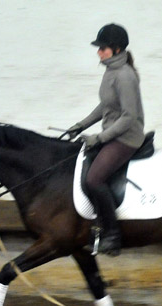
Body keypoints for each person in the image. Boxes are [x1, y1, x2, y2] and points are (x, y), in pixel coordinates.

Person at [66, 23, 145, 256]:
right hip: (113, 133)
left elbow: (128, 117)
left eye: (103, 48)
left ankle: (112, 234)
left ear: (117, 49)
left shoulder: (125, 76)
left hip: (127, 137)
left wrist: (99, 137)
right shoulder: (111, 71)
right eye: (99, 48)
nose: (99, 52)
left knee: (94, 179)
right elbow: (106, 106)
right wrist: (81, 124)